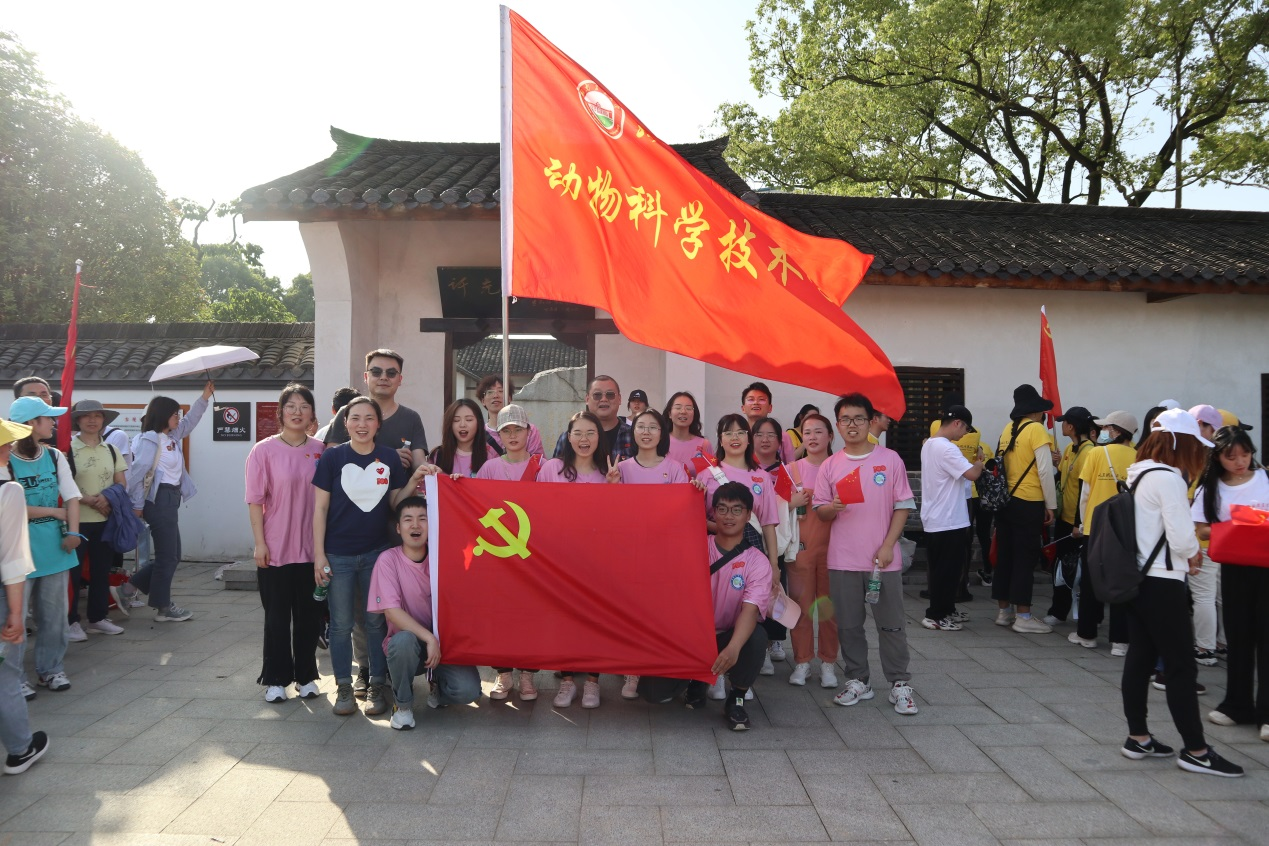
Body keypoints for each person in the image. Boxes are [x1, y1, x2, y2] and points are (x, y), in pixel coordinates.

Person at [1119, 409, 1243, 777]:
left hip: (1139, 579)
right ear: (1179, 442)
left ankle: (1138, 737)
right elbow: (1181, 534)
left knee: (1140, 659)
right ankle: (1197, 751)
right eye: (1197, 445)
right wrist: (1193, 554)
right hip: (1163, 582)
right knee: (1181, 667)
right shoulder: (1168, 477)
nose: (1201, 452)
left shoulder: (1138, 473)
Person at [314, 396, 423, 717]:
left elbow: (395, 503)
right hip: (338, 554)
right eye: (355, 418)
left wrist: (414, 480)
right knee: (340, 624)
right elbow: (320, 508)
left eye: (369, 418)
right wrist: (319, 554)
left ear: (378, 424)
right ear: (345, 423)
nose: (362, 424)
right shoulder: (332, 458)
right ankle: (344, 687)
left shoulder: (388, 458)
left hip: (377, 553)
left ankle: (377, 684)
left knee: (376, 622)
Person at [813, 393, 919, 714]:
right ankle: (858, 679)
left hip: (882, 560)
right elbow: (820, 511)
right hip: (842, 559)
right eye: (845, 419)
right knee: (848, 625)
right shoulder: (831, 465)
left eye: (859, 418)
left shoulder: (890, 459)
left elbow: (903, 506)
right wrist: (833, 507)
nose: (852, 425)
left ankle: (899, 683)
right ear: (838, 425)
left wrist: (888, 545)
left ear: (870, 421)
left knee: (892, 624)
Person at [638, 483, 770, 731]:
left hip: (726, 635)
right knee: (652, 693)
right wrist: (690, 491)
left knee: (756, 637)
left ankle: (736, 698)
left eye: (736, 510)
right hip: (689, 637)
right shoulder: (694, 546)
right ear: (713, 513)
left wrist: (733, 649)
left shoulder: (758, 562)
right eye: (722, 509)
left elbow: (751, 611)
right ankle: (697, 679)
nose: (728, 516)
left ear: (748, 515)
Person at [370, 496, 482, 730]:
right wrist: (429, 638)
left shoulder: (444, 557)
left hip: (446, 644)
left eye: (423, 519)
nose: (416, 525)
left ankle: (438, 689)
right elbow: (392, 612)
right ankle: (402, 706)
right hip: (409, 643)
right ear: (398, 528)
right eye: (408, 519)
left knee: (469, 691)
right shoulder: (388, 560)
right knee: (403, 642)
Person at [245, 385, 325, 704]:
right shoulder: (263, 451)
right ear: (280, 412)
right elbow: (255, 501)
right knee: (277, 618)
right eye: (291, 406)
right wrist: (259, 543)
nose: (297, 412)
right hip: (275, 548)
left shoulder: (321, 451)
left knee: (309, 618)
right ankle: (276, 679)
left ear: (312, 414)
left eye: (304, 406)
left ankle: (306, 676)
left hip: (313, 549)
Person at [1194, 426, 1269, 735]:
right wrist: (1240, 524)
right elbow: (1201, 529)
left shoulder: (1265, 479)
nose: (1240, 462)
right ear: (1218, 458)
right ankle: (1237, 705)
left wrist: (1249, 522)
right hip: (1234, 567)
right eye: (1231, 457)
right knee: (1238, 636)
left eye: (1245, 455)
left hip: (1266, 565)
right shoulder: (1210, 487)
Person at [6, 396, 82, 696]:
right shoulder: (5, 458)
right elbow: (9, 507)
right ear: (30, 423)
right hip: (16, 550)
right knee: (13, 617)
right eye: (48, 418)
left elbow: (72, 496)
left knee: (54, 616)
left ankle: (50, 669)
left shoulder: (54, 456)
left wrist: (74, 532)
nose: (54, 422)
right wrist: (53, 512)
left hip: (55, 547)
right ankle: (13, 678)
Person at [118, 383, 213, 623]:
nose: (178, 418)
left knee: (172, 555)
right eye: (174, 414)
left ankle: (127, 589)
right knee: (168, 556)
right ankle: (163, 607)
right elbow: (137, 474)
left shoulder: (171, 436)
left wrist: (204, 397)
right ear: (162, 415)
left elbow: (190, 421)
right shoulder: (149, 440)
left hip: (170, 499)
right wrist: (137, 504)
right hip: (158, 500)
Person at [614, 408, 691, 699]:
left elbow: (682, 511)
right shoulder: (621, 468)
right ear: (633, 432)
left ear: (662, 433)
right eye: (641, 427)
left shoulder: (675, 469)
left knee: (658, 611)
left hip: (663, 553)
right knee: (630, 610)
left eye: (653, 427)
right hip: (629, 552)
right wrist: (611, 487)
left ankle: (654, 663)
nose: (646, 432)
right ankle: (631, 670)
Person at [541, 411, 614, 708]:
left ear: (599, 438)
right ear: (568, 438)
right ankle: (568, 681)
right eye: (578, 433)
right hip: (560, 559)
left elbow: (617, 520)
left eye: (590, 433)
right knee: (564, 618)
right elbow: (537, 510)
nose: (584, 439)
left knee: (596, 618)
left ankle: (593, 682)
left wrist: (614, 488)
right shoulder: (551, 468)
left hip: (598, 560)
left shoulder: (608, 473)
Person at [478, 404, 544, 702]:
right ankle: (503, 674)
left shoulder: (544, 466)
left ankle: (528, 674)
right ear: (499, 435)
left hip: (534, 553)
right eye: (507, 431)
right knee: (499, 614)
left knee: (532, 614)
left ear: (529, 432)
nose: (513, 435)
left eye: (519, 429)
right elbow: (474, 505)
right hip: (500, 554)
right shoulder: (489, 468)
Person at [1, 422, 49, 775]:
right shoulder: (8, 491)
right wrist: (17, 614)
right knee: (5, 674)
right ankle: (19, 749)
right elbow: (13, 558)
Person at [1071, 410, 1138, 653]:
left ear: (1117, 431)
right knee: (1122, 583)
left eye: (1106, 428)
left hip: (1095, 526)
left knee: (1091, 582)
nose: (1102, 432)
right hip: (1126, 529)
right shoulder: (1139, 456)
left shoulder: (1097, 453)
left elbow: (1085, 494)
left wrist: (1082, 522)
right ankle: (1120, 641)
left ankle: (1087, 634)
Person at [992, 385, 1057, 634]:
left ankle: (1003, 611)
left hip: (1006, 502)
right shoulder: (1037, 430)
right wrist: (1051, 504)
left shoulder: (1007, 429)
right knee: (1025, 558)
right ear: (1036, 410)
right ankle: (1024, 616)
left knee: (1005, 556)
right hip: (1029, 501)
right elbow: (1045, 471)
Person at [919, 405, 984, 632]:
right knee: (946, 572)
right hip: (948, 519)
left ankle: (947, 609)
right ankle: (936, 615)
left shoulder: (929, 444)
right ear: (957, 423)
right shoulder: (947, 448)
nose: (965, 434)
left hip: (938, 517)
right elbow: (972, 474)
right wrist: (979, 462)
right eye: (965, 428)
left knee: (946, 569)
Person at [67, 400, 129, 638]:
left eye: (97, 416)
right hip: (76, 520)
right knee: (72, 573)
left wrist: (105, 498)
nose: (92, 420)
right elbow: (63, 484)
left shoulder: (111, 450)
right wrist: (89, 500)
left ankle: (98, 618)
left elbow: (121, 482)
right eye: (86, 416)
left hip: (105, 519)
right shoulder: (66, 449)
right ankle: (70, 621)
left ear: (104, 420)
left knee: (101, 571)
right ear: (77, 420)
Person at [787, 412, 839, 688]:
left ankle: (829, 662)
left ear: (830, 436)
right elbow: (777, 509)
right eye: (807, 432)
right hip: (801, 549)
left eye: (819, 431)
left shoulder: (840, 467)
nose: (812, 437)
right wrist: (791, 503)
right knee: (801, 606)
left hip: (836, 549)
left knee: (830, 609)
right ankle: (802, 661)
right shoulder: (791, 470)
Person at [750, 416, 800, 674]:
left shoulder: (787, 471)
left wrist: (790, 504)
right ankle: (756, 645)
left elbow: (797, 505)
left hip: (776, 540)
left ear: (780, 441)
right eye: (759, 434)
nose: (765, 439)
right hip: (750, 538)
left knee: (775, 590)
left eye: (771, 435)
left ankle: (772, 644)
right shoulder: (745, 469)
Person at [324, 349, 429, 468]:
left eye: (391, 373)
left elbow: (419, 463)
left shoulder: (411, 418)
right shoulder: (346, 413)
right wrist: (388, 457)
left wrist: (431, 469)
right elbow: (331, 460)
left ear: (400, 379)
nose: (383, 377)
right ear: (366, 377)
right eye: (376, 372)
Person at [1045, 406, 1097, 627]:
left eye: (1065, 422)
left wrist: (1079, 523)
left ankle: (1086, 615)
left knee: (1079, 569)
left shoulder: (1090, 452)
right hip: (1063, 518)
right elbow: (1062, 477)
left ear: (1072, 426)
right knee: (1061, 567)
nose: (1062, 426)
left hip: (1078, 523)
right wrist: (1057, 465)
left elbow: (1086, 491)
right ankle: (1059, 611)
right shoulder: (1069, 449)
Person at [552, 376, 633, 468]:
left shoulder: (634, 436)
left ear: (619, 399)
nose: (604, 399)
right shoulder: (568, 438)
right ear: (587, 399)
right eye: (597, 395)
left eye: (610, 394)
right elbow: (555, 472)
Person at [477, 375, 545, 456]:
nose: (495, 395)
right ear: (483, 401)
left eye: (501, 391)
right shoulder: (478, 434)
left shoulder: (529, 430)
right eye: (490, 392)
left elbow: (537, 460)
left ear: (509, 398)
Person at [429, 399, 496, 478]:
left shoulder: (490, 455)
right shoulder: (438, 454)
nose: (462, 425)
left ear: (479, 422)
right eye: (456, 420)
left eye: (469, 420)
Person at [663, 391, 714, 478]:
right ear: (669, 414)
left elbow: (712, 477)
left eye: (689, 408)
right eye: (678, 407)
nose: (683, 411)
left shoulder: (704, 445)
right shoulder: (660, 442)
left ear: (694, 414)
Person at [740, 382, 795, 462]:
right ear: (743, 408)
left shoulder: (783, 436)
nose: (756, 403)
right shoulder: (737, 436)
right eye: (751, 400)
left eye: (761, 399)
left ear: (770, 408)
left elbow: (791, 465)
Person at [12, 378, 57, 446]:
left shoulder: (57, 435)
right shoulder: (6, 433)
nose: (39, 400)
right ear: (17, 400)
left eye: (44, 395)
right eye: (32, 396)